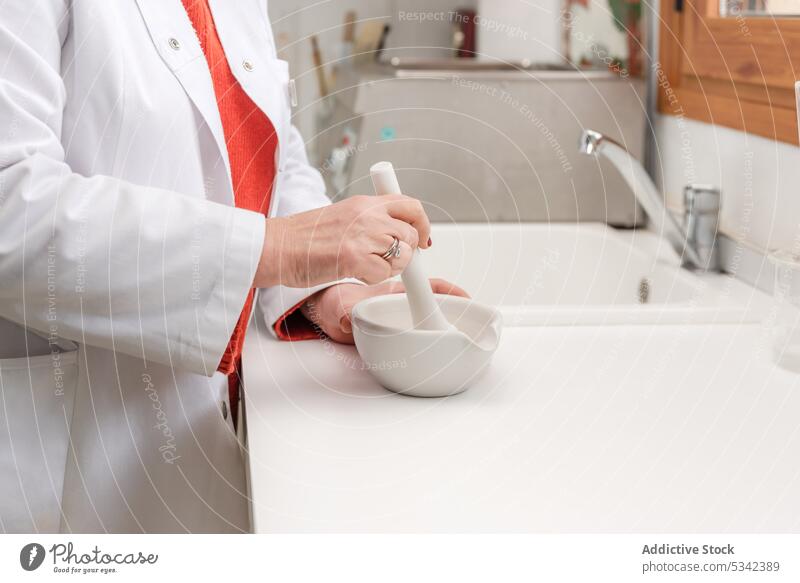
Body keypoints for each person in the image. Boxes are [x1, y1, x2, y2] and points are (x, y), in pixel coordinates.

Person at [0, 0, 465, 533]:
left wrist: (324, 286)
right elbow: (11, 208)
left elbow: (273, 153)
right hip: (66, 460)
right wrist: (282, 248)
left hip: (204, 427)